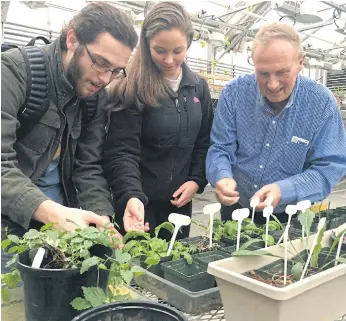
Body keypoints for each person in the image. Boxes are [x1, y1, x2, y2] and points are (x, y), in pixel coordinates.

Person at [1, 2, 144, 268]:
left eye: (115, 70)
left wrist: (102, 219)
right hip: (8, 227)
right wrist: (51, 213)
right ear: (71, 39)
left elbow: (87, 168)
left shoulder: (95, 98)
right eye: (100, 63)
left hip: (62, 227)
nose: (105, 79)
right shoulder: (14, 73)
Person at [206, 22, 346, 224]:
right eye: (263, 73)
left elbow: (329, 167)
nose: (272, 84)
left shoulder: (320, 104)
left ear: (300, 63)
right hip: (236, 208)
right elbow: (220, 147)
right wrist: (221, 175)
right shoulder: (234, 94)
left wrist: (285, 189)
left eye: (282, 72)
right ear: (253, 63)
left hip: (288, 214)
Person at [104, 1, 213, 240]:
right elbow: (122, 151)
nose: (169, 59)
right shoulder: (132, 88)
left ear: (189, 44)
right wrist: (132, 194)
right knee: (137, 269)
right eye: (160, 50)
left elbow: (204, 142)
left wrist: (196, 180)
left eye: (178, 50)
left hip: (179, 204)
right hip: (138, 206)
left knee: (174, 267)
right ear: (146, 44)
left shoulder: (198, 88)